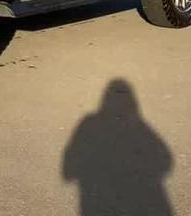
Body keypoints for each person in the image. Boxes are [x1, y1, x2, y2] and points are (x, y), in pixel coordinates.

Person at [62, 79, 174, 216]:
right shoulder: (138, 129)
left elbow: (68, 170)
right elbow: (165, 161)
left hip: (97, 207)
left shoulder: (89, 126)